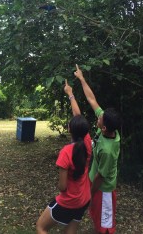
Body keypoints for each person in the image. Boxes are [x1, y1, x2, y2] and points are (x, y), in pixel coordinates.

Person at [36, 80, 92, 234]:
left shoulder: (66, 152)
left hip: (68, 201)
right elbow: (78, 116)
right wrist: (70, 94)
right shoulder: (87, 143)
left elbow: (63, 187)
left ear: (70, 129)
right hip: (84, 199)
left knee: (41, 227)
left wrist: (70, 93)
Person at [74, 64, 121, 234]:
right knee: (97, 217)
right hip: (95, 182)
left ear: (104, 128)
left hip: (103, 189)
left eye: (101, 118)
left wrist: (89, 193)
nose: (98, 115)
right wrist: (81, 78)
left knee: (106, 226)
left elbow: (101, 176)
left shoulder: (108, 150)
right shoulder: (108, 129)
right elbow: (92, 99)